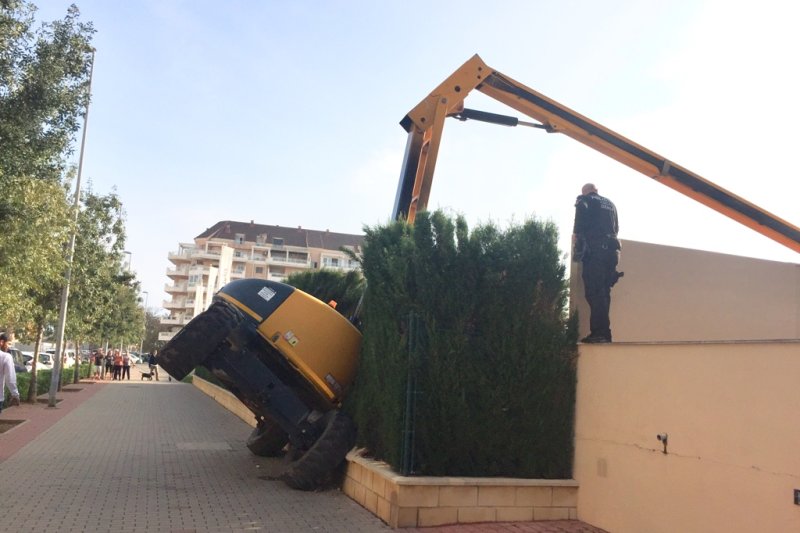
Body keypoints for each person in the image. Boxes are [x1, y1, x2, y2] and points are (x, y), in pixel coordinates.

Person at [573, 183, 623, 343]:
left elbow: (578, 226)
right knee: (604, 292)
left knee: (594, 292)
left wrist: (577, 237)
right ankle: (605, 333)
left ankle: (600, 333)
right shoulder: (611, 204)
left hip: (597, 252)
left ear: (586, 192)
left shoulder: (585, 200)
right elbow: (616, 228)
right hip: (613, 252)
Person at [0, 333, 21, 412]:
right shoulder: (5, 357)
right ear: (1, 342)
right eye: (8, 343)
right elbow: (10, 378)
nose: (8, 346)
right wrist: (15, 394)